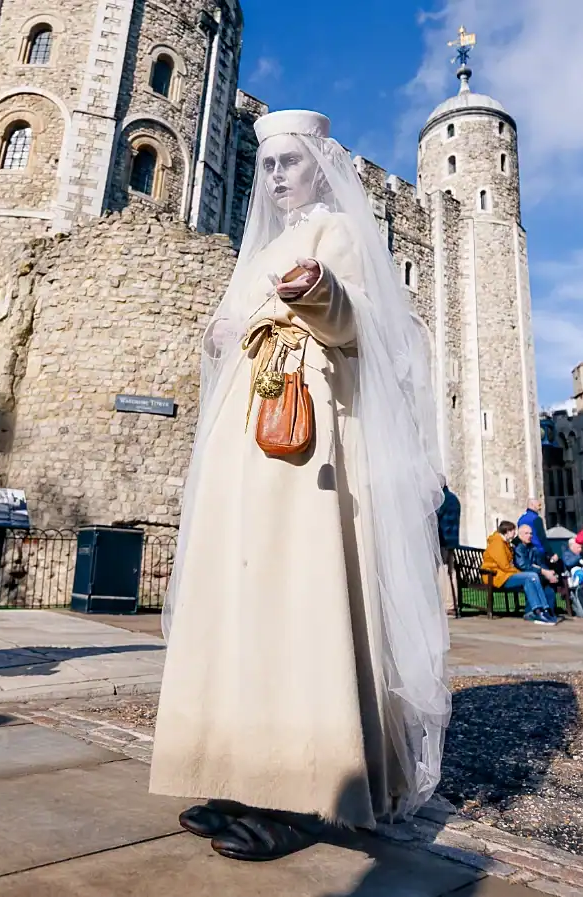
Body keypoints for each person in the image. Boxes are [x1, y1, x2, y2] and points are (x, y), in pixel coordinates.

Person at [149, 110, 450, 861]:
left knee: (292, 592)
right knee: (237, 595)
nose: (277, 175)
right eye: (269, 163)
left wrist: (317, 295)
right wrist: (222, 332)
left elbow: (363, 330)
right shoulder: (261, 247)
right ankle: (227, 765)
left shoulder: (339, 233)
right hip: (241, 435)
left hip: (303, 431)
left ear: (320, 164)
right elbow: (229, 326)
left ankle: (294, 788)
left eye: (291, 161)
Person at [482, 521, 557, 625]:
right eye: (513, 531)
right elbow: (505, 566)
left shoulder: (505, 543)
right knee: (530, 576)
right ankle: (538, 610)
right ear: (507, 531)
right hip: (497, 576)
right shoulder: (497, 543)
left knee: (532, 577)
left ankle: (543, 609)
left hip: (505, 574)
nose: (514, 534)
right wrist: (518, 572)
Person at [513, 524, 561, 620]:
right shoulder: (518, 546)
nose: (529, 535)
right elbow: (523, 565)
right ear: (520, 535)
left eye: (531, 533)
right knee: (534, 578)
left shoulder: (532, 547)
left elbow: (539, 562)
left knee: (548, 586)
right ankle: (531, 611)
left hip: (534, 573)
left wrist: (549, 573)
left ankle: (548, 611)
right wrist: (543, 572)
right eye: (526, 533)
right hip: (520, 575)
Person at [436, 482, 462, 615]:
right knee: (451, 572)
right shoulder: (453, 498)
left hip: (443, 539)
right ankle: (453, 602)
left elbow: (435, 517)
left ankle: (446, 603)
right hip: (452, 539)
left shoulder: (441, 499)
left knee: (443, 570)